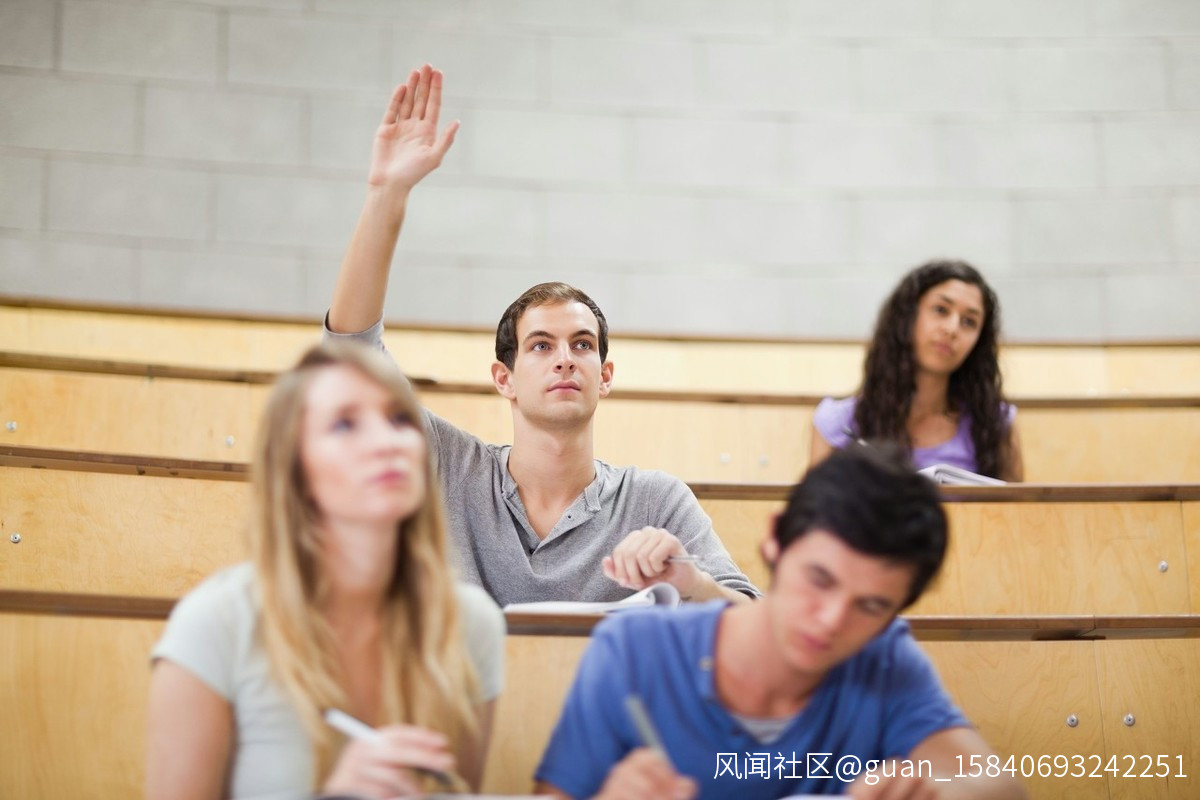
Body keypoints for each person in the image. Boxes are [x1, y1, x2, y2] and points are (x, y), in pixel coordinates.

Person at [324, 63, 758, 607]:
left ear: (605, 376)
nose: (565, 359)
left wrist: (692, 583)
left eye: (582, 344)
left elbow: (753, 623)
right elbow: (350, 357)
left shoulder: (655, 501)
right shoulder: (447, 467)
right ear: (503, 378)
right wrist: (387, 193)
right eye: (541, 345)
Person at [535, 445, 1028, 800]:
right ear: (776, 539)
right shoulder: (634, 651)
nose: (832, 621)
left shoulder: (883, 659)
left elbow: (999, 786)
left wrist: (932, 791)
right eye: (819, 578)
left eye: (871, 606)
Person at [145, 341, 505, 800]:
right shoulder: (215, 623)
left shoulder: (471, 624)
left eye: (399, 418)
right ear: (296, 469)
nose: (386, 442)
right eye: (344, 424)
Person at [810, 261, 1024, 482]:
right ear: (907, 316)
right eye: (941, 310)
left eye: (969, 322)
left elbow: (1016, 505)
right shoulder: (839, 424)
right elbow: (817, 503)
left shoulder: (994, 424)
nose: (952, 329)